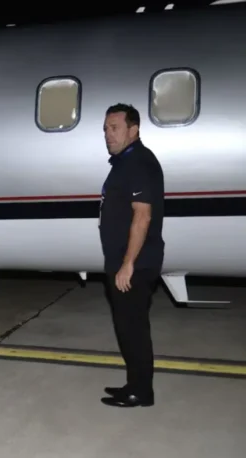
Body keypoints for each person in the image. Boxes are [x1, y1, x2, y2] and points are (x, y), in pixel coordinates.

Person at [98, 103, 165, 408]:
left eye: (114, 128)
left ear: (133, 129)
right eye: (105, 129)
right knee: (127, 328)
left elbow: (142, 216)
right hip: (125, 263)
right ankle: (134, 385)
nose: (108, 134)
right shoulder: (126, 162)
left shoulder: (138, 162)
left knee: (133, 329)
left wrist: (128, 265)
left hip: (134, 265)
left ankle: (141, 392)